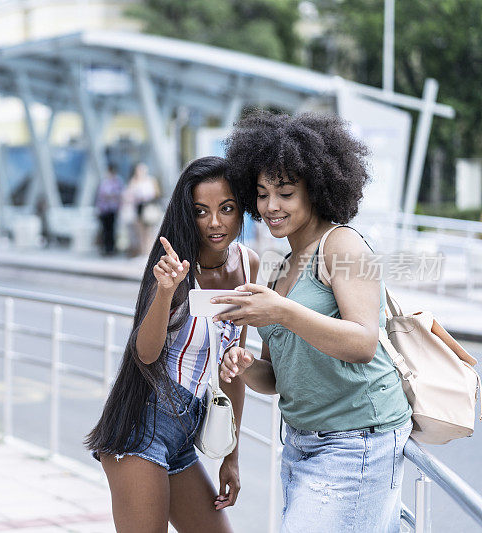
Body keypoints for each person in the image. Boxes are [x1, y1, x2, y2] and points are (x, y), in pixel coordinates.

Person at [216, 111, 412, 532]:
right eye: (263, 194)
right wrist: (245, 365)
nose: (271, 207)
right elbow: (277, 378)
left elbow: (363, 343)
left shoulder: (341, 244)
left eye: (285, 193)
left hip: (357, 439)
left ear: (317, 189)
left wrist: (282, 310)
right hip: (301, 442)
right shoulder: (277, 267)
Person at [86, 156, 260, 533]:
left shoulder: (248, 264)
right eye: (201, 211)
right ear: (188, 213)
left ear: (241, 209)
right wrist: (165, 292)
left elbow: (233, 373)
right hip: (142, 426)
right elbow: (145, 354)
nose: (215, 222)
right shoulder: (174, 266)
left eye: (226, 209)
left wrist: (231, 456)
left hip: (185, 432)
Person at [123, 162, 160, 256]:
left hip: (148, 207)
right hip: (138, 207)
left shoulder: (151, 180)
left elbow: (156, 193)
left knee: (149, 231)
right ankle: (143, 252)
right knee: (140, 231)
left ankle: (149, 253)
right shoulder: (134, 181)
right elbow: (129, 195)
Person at [95, 164, 124, 255]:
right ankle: (105, 248)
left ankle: (111, 248)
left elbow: (119, 194)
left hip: (112, 209)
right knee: (104, 229)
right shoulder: (105, 182)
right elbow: (101, 195)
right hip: (104, 209)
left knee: (111, 229)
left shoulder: (118, 181)